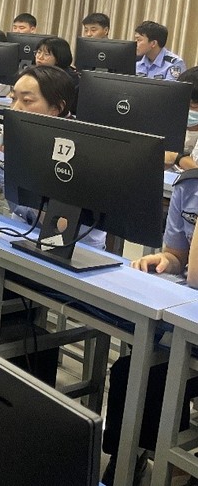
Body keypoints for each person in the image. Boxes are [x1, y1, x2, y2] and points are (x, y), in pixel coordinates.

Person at [99, 169, 198, 485]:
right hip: (186, 322)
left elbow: (196, 276)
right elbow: (179, 256)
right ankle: (130, 458)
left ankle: (176, 467)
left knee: (162, 370)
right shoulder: (189, 186)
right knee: (135, 369)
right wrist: (166, 261)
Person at [0, 65, 106, 250]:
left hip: (75, 249)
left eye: (27, 100)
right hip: (20, 233)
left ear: (56, 108)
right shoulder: (7, 140)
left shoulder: (79, 152)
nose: (15, 108)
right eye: (13, 99)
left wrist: (26, 161)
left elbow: (60, 228)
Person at [34, 37, 79, 110]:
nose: (40, 57)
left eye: (46, 54)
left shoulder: (68, 78)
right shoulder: (33, 72)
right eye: (39, 52)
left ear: (58, 58)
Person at [168, 67, 198, 171]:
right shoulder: (170, 122)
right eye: (183, 103)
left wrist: (176, 158)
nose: (187, 109)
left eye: (193, 105)